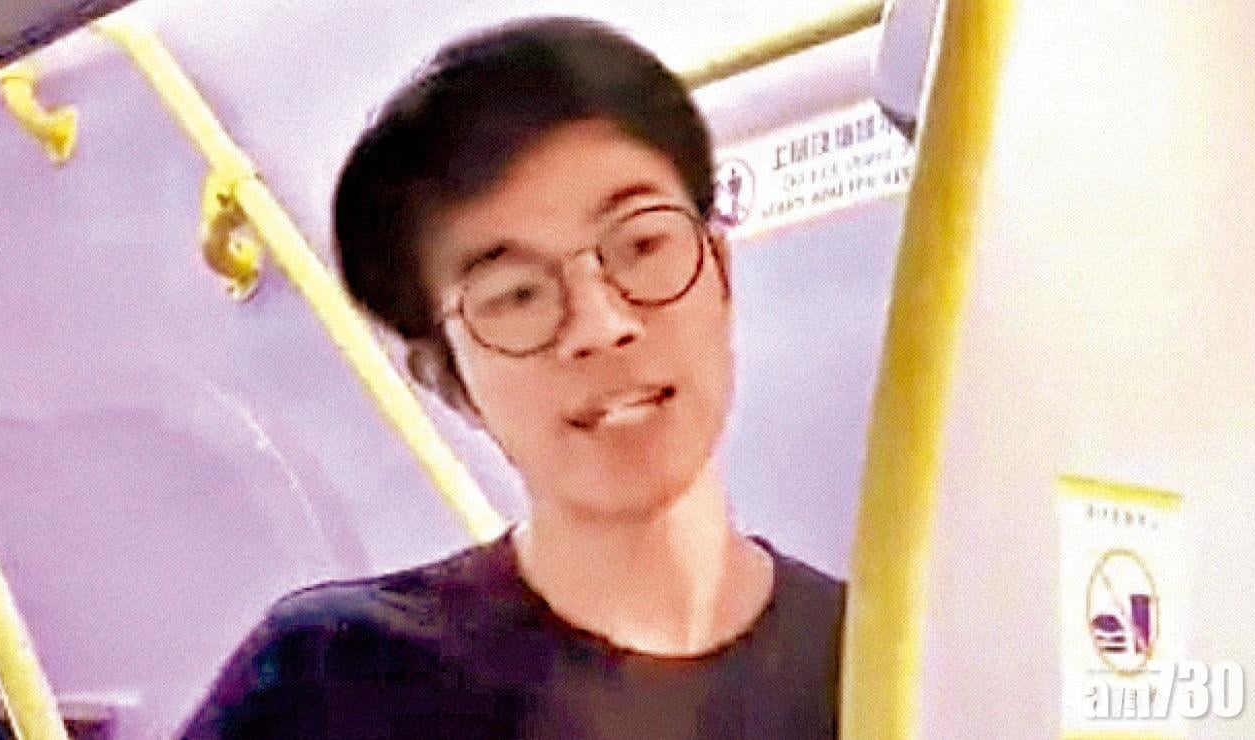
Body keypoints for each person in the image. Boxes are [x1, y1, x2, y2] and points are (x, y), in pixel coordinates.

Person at [181, 16, 846, 739]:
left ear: (719, 270)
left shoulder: (890, 667)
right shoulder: (332, 681)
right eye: (518, 296)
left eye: (643, 244)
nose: (601, 326)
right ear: (449, 381)